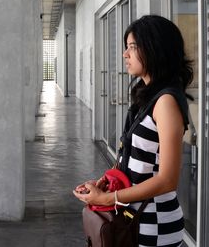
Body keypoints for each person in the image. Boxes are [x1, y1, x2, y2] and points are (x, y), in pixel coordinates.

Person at [73, 15, 193, 247]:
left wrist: (107, 198)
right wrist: (106, 182)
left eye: (132, 47)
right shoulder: (147, 96)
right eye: (126, 47)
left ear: (154, 49)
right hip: (136, 218)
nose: (125, 54)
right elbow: (140, 161)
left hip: (154, 223)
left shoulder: (166, 102)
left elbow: (167, 180)